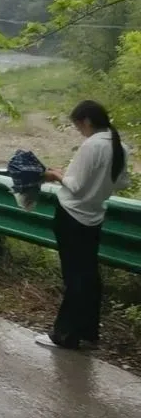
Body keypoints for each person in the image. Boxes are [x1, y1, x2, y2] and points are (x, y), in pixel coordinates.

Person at [38, 100, 130, 349]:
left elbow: (75, 186)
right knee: (89, 276)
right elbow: (122, 183)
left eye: (79, 126)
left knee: (74, 277)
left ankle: (65, 335)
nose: (80, 131)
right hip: (94, 217)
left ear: (86, 121)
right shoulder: (119, 146)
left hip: (72, 216)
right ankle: (89, 333)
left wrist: (56, 174)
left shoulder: (91, 145)